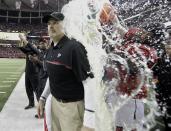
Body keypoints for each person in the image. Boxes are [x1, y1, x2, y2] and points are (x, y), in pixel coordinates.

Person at [42, 11, 93, 131]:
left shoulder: (74, 47)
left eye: (55, 23)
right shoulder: (51, 49)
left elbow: (90, 81)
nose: (51, 26)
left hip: (71, 107)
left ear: (65, 25)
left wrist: (90, 118)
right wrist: (42, 98)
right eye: (49, 24)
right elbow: (53, 77)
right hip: (54, 103)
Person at [153, 35, 171, 130]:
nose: (168, 49)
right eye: (167, 46)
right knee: (167, 117)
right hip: (163, 95)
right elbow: (155, 72)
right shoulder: (161, 59)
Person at [18, 34, 39, 109]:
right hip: (28, 73)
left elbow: (31, 47)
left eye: (33, 45)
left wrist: (24, 39)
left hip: (34, 73)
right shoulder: (28, 52)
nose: (31, 46)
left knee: (36, 89)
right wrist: (21, 40)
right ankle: (31, 103)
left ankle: (41, 105)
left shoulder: (37, 52)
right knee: (28, 88)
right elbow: (21, 47)